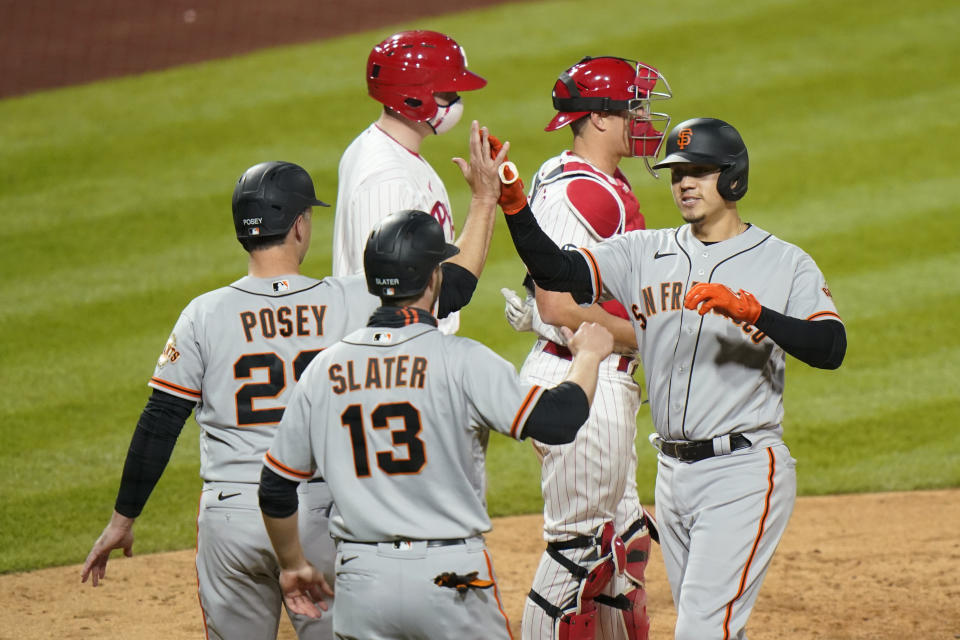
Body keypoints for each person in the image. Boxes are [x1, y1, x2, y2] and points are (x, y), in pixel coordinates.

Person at [81, 122, 503, 640]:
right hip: (313, 513)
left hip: (230, 517)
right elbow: (454, 287)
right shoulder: (349, 298)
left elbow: (160, 422)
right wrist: (484, 201)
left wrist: (123, 519)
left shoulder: (203, 314)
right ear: (300, 225)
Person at [493, 117, 846, 640]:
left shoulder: (783, 262)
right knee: (715, 625)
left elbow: (831, 347)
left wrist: (756, 313)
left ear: (732, 179)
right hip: (673, 475)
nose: (683, 182)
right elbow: (558, 271)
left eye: (698, 171)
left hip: (742, 471)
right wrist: (517, 208)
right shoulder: (644, 252)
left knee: (701, 629)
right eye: (677, 172)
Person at [257, 207, 617, 640]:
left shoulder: (323, 369)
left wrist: (294, 564)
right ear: (433, 279)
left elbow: (275, 487)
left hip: (361, 579)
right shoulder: (462, 360)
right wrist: (589, 357)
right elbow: (559, 421)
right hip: (449, 578)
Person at [498, 56, 672, 640]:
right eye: (635, 108)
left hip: (590, 374)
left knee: (621, 550)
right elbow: (559, 306)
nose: (646, 119)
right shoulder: (586, 194)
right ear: (599, 118)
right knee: (578, 553)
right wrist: (651, 335)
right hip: (584, 377)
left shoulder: (572, 174)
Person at [332, 29, 488, 335]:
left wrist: (486, 198)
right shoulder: (387, 178)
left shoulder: (391, 151)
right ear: (415, 96)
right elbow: (381, 295)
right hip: (399, 362)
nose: (457, 101)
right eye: (448, 92)